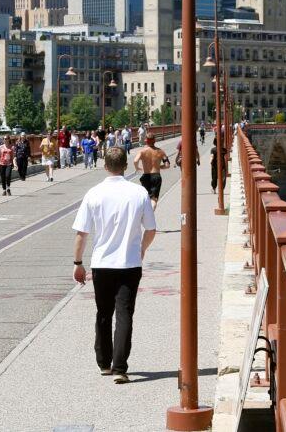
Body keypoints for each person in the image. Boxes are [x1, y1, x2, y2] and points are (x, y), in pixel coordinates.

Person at [72, 147, 157, 384]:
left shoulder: (94, 193)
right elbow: (151, 229)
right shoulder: (139, 193)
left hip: (102, 263)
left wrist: (78, 263)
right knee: (125, 313)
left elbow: (82, 233)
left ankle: (104, 362)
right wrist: (141, 249)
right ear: (126, 166)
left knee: (103, 312)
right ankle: (120, 368)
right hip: (129, 263)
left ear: (105, 165)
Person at [133, 133, 170, 210]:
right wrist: (159, 167)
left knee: (146, 198)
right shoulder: (161, 152)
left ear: (146, 141)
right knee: (153, 199)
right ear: (155, 141)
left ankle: (145, 215)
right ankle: (150, 215)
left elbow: (135, 160)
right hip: (156, 176)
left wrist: (137, 168)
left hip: (146, 176)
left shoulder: (142, 151)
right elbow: (167, 165)